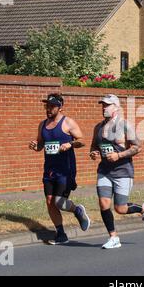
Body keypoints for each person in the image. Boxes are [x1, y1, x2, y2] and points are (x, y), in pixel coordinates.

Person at [89, 94, 144, 249]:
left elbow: (137, 146)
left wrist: (118, 155)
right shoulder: (98, 127)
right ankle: (113, 237)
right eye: (102, 105)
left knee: (120, 208)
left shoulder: (125, 125)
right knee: (104, 203)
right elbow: (94, 146)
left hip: (123, 171)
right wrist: (94, 153)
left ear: (116, 107)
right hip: (104, 171)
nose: (104, 107)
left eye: (107, 105)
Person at [29, 93, 90, 245]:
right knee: (50, 201)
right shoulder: (42, 125)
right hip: (49, 170)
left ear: (60, 107)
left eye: (52, 106)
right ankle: (61, 234)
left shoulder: (67, 122)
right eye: (46, 106)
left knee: (59, 201)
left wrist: (70, 144)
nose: (48, 109)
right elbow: (41, 144)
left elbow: (82, 141)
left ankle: (77, 210)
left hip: (65, 170)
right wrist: (36, 146)